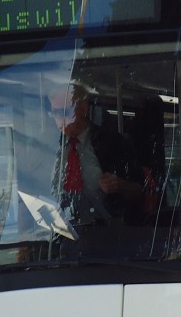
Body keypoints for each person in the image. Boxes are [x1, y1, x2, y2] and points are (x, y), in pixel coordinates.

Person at [50, 84, 143, 226]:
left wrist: (119, 185)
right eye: (55, 112)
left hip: (105, 231)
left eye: (65, 112)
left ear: (83, 109)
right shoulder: (51, 146)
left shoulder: (112, 142)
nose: (59, 119)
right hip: (61, 230)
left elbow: (140, 191)